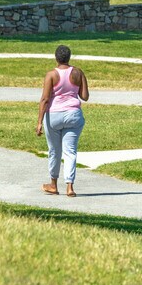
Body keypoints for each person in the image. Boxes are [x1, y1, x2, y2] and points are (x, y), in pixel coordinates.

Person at [37, 44, 89, 196]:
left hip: (54, 115)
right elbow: (85, 96)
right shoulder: (78, 73)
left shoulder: (51, 75)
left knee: (54, 151)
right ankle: (70, 187)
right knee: (70, 151)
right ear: (69, 57)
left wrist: (40, 121)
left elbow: (45, 99)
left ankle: (53, 185)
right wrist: (81, 79)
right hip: (73, 115)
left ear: (56, 58)